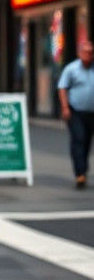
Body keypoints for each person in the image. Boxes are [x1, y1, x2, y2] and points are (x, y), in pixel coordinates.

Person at [57, 41, 94, 189]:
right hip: (75, 111)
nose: (88, 55)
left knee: (87, 141)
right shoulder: (71, 69)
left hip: (91, 112)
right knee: (78, 138)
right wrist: (65, 107)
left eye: (91, 53)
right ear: (79, 53)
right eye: (85, 52)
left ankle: (83, 168)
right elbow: (62, 88)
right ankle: (79, 172)